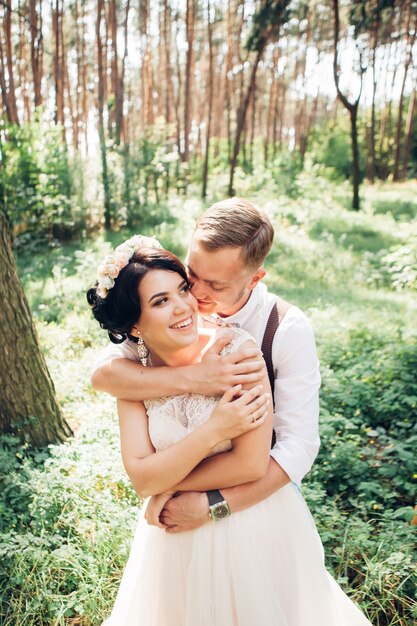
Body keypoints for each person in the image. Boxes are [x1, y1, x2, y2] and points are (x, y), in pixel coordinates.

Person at [87, 239, 372, 625]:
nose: (185, 305)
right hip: (172, 537)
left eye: (181, 290)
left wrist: (169, 481)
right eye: (160, 301)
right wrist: (214, 430)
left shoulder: (239, 352)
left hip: (253, 521)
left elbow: (251, 463)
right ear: (135, 324)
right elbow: (141, 478)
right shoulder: (133, 374)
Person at [91, 198, 320, 532]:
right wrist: (196, 378)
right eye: (192, 274)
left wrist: (209, 502)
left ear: (254, 279)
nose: (194, 294)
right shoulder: (165, 309)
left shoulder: (284, 329)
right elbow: (104, 376)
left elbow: (297, 447)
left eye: (215, 285)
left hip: (255, 502)